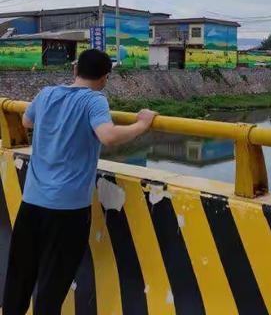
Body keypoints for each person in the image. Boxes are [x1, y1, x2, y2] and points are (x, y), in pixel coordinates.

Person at [3, 49, 157, 315]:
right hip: (68, 210)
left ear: (75, 70)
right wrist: (142, 125)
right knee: (53, 280)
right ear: (105, 77)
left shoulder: (46, 93)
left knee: (19, 275)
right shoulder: (94, 100)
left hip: (32, 202)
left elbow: (26, 121)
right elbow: (107, 136)